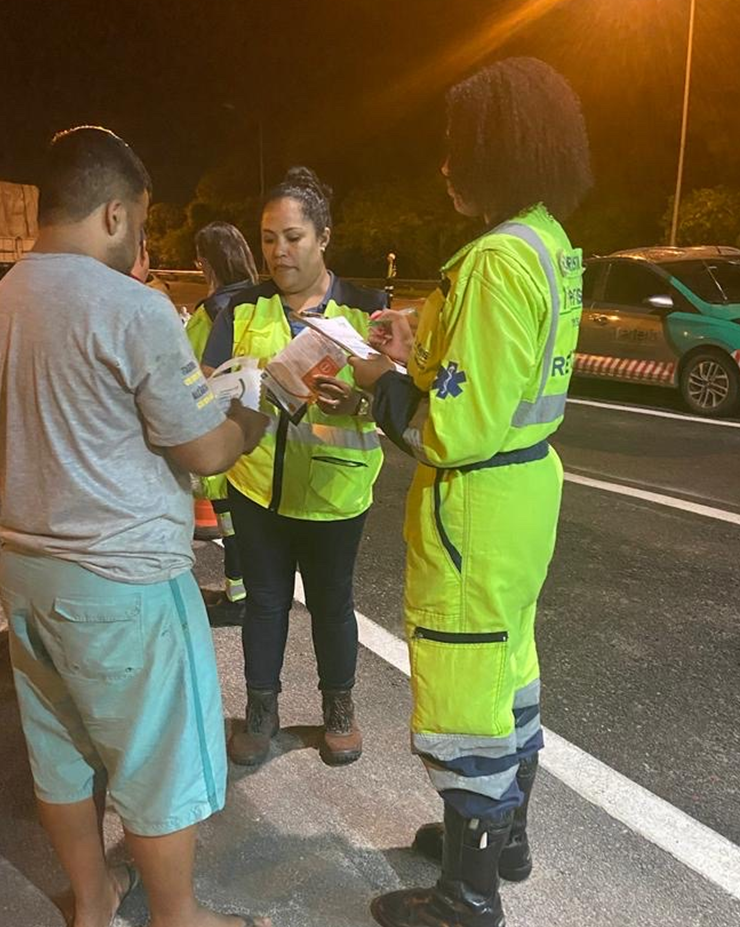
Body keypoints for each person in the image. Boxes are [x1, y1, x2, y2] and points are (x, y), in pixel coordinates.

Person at [0, 126, 270, 927]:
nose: (139, 237)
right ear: (111, 212)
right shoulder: (130, 308)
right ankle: (180, 918)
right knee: (156, 758)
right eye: (138, 220)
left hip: (27, 568)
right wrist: (253, 410)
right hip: (122, 578)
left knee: (60, 753)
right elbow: (204, 451)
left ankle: (93, 902)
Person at [350, 58, 592, 927]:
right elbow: (502, 368)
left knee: (463, 683)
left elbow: (456, 426)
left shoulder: (494, 258)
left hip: (476, 502)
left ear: (500, 148)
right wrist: (421, 338)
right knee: (508, 663)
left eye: (458, 148)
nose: (446, 165)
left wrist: (378, 373)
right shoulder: (549, 242)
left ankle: (467, 891)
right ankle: (505, 837)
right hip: (525, 494)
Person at [202, 167, 386, 768]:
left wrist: (357, 400)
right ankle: (261, 711)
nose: (279, 251)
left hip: (336, 494)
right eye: (269, 238)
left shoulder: (367, 311)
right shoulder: (240, 308)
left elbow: (397, 403)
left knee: (333, 605)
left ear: (324, 236)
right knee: (264, 604)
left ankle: (339, 709)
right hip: (258, 490)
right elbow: (206, 389)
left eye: (294, 237)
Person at [187, 221, 259, 627]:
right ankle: (241, 592)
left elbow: (189, 373)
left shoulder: (209, 313)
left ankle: (239, 599)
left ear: (205, 262)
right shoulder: (259, 303)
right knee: (244, 523)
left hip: (220, 433)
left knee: (231, 524)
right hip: (255, 428)